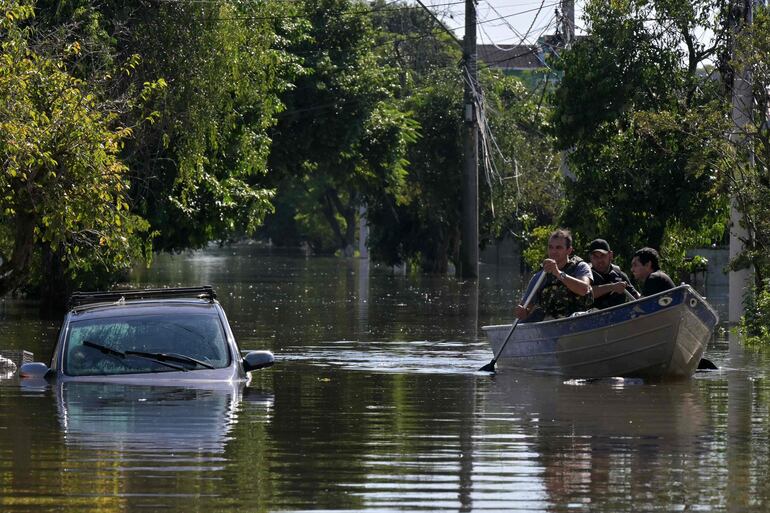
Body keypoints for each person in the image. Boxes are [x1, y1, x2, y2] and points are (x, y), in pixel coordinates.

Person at [515, 229, 593, 321]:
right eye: (551, 247)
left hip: (578, 320)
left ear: (569, 250)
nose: (553, 251)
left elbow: (584, 289)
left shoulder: (580, 267)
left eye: (558, 248)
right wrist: (522, 312)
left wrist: (558, 273)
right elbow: (526, 308)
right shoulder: (539, 276)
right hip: (550, 324)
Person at [588, 239, 640, 309]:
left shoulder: (620, 275)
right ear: (590, 258)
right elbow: (586, 292)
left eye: (603, 255)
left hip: (621, 317)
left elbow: (636, 295)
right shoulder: (585, 276)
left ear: (610, 255)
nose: (599, 260)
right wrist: (613, 287)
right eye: (595, 257)